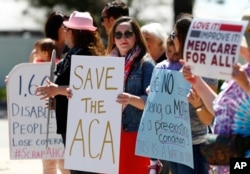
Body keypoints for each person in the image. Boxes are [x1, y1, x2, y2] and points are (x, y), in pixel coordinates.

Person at [35, 11, 105, 174]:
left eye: (67, 29)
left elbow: (86, 91)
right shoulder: (74, 54)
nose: (64, 32)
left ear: (73, 32)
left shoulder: (86, 56)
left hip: (82, 124)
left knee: (82, 170)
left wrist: (56, 90)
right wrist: (57, 98)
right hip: (73, 122)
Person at [182, 35, 250, 174]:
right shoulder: (242, 70)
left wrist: (246, 84)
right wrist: (197, 82)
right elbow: (221, 110)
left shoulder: (241, 75)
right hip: (228, 160)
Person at [168, 13, 218, 174]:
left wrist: (197, 105)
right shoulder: (180, 66)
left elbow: (209, 117)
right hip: (174, 143)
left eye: (174, 35)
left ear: (183, 38)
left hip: (194, 146)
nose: (171, 38)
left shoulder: (207, 69)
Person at [106, 16, 155, 174]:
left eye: (128, 33)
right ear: (113, 39)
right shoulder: (105, 65)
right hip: (109, 134)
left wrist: (130, 99)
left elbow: (152, 102)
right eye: (118, 35)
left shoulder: (146, 64)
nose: (123, 38)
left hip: (135, 134)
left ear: (136, 36)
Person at [32, 38, 70, 174]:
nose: (34, 53)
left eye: (37, 51)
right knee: (49, 162)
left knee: (63, 161)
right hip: (41, 119)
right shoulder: (33, 67)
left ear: (47, 52)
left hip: (56, 119)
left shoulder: (59, 67)